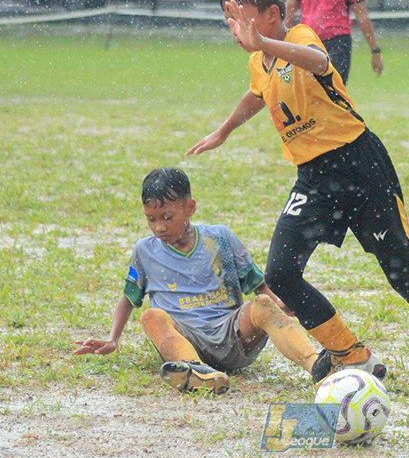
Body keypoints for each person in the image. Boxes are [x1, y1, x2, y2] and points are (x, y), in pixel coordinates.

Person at [187, 0, 409, 409]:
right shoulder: (258, 59)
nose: (234, 27)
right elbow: (257, 93)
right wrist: (224, 131)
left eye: (241, 16)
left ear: (274, 14)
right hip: (314, 179)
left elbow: (320, 63)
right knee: (279, 274)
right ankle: (355, 358)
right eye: (229, 18)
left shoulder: (300, 38)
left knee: (401, 275)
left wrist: (265, 44)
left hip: (359, 166)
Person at [74, 167, 321, 395]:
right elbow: (128, 299)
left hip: (232, 336)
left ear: (190, 208)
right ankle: (196, 371)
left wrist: (278, 308)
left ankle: (318, 367)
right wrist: (112, 339)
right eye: (151, 219)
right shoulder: (144, 251)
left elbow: (258, 287)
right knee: (151, 316)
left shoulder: (220, 238)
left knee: (264, 304)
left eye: (167, 217)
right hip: (184, 338)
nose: (159, 227)